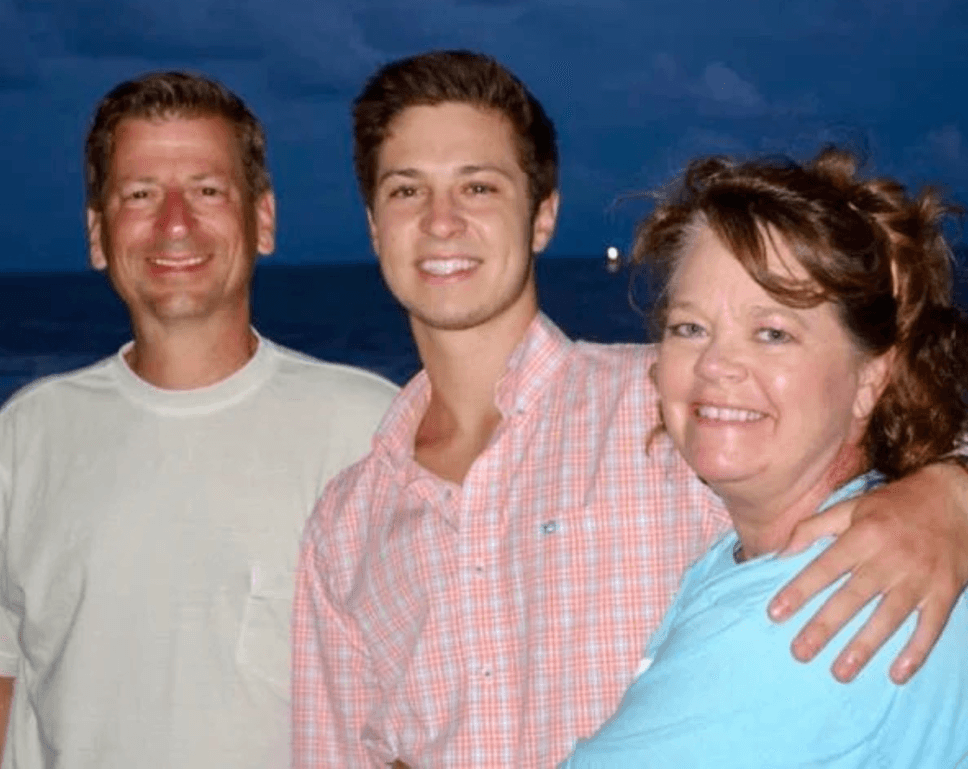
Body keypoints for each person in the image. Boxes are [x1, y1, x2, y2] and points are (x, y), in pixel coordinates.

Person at [290, 50, 968, 766]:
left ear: (543, 214)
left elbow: (874, 408)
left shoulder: (680, 408)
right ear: (371, 223)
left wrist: (948, 492)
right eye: (406, 191)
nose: (441, 222)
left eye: (479, 186)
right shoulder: (346, 524)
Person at [0, 72, 396, 768]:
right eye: (140, 194)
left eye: (208, 190)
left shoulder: (368, 429)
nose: (175, 221)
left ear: (263, 221)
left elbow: (419, 699)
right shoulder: (24, 437)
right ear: (98, 234)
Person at [561, 148, 968, 766]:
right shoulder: (745, 561)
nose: (715, 365)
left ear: (869, 380)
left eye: (772, 332)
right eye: (689, 327)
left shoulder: (813, 607)